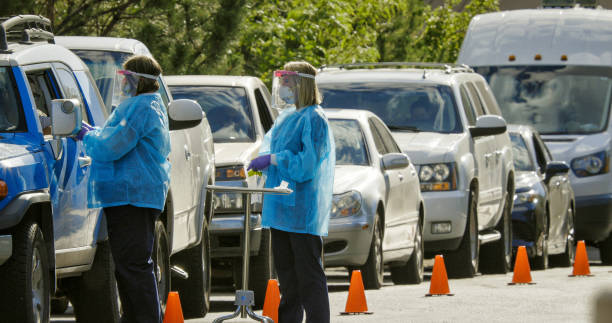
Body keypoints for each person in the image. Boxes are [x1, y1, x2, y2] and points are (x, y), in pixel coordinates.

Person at [76, 55, 170, 323]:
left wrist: (87, 135)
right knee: (128, 267)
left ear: (140, 80)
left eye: (128, 78)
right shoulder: (144, 105)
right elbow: (116, 136)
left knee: (134, 267)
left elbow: (113, 144)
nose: (124, 83)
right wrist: (94, 131)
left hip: (133, 196)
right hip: (131, 196)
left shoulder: (141, 106)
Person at [248, 61, 335, 323]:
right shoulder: (287, 117)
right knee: (286, 275)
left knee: (308, 274)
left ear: (301, 83)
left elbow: (306, 166)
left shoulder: (314, 118)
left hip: (302, 210)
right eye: (282, 80)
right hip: (281, 206)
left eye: (287, 80)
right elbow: (270, 147)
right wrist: (260, 161)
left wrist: (274, 159)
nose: (283, 86)